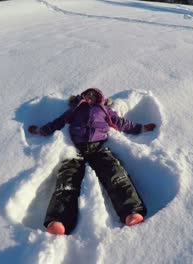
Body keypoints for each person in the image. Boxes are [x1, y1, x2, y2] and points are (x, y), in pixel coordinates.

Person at [28, 88, 156, 235]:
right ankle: (58, 220)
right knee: (67, 180)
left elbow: (121, 123)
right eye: (87, 95)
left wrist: (142, 128)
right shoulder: (75, 108)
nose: (90, 97)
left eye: (94, 95)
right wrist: (40, 130)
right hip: (75, 150)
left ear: (101, 98)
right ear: (82, 97)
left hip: (98, 148)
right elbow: (57, 122)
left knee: (115, 174)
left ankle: (131, 210)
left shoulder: (104, 110)